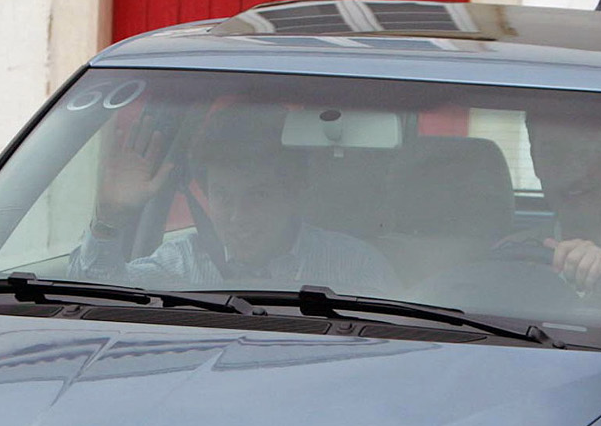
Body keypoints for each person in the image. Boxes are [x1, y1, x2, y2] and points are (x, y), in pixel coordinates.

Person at [70, 109, 398, 296]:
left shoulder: (355, 267)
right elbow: (92, 298)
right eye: (223, 196)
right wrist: (108, 221)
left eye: (258, 196)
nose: (237, 217)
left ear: (293, 194)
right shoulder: (181, 263)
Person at [507, 102, 601, 295]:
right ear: (535, 161)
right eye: (553, 153)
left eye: (587, 151)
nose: (572, 172)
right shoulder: (509, 256)